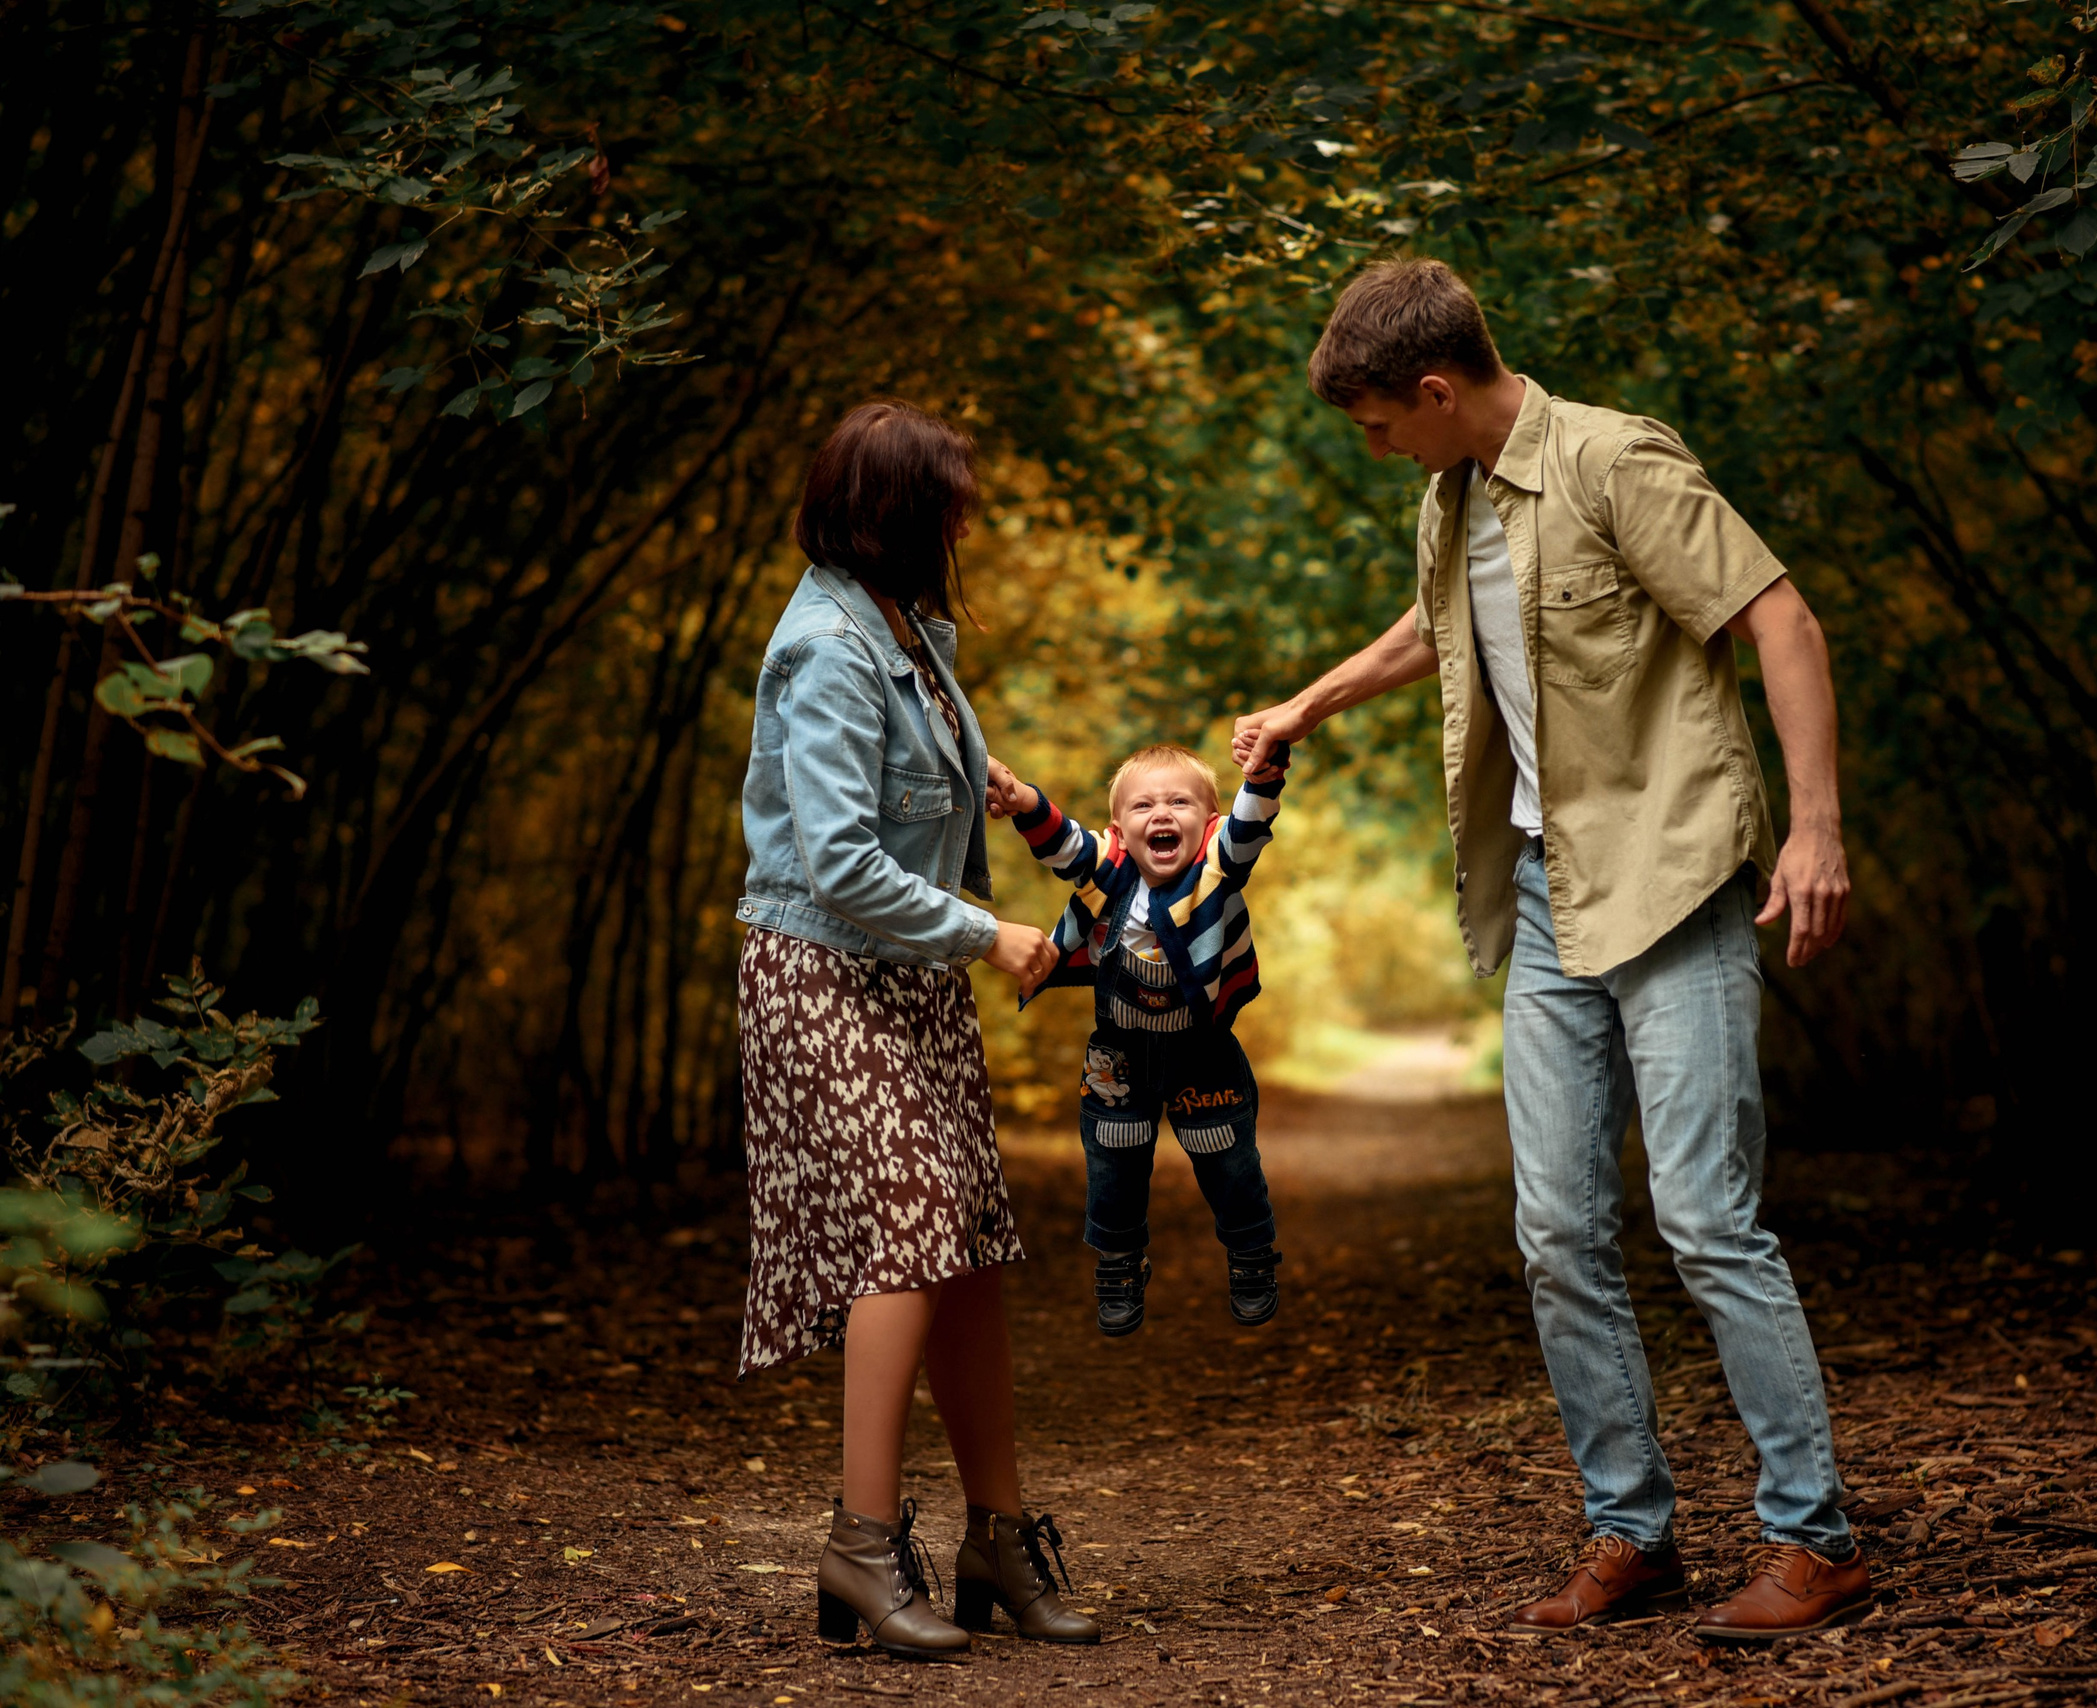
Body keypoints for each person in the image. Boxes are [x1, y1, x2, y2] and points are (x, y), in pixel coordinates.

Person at [1232, 261, 1871, 1643]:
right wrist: (1306, 705)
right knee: (1559, 1230)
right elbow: (1437, 626)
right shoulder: (1452, 497)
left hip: (1675, 875)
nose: (1378, 445)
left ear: (1438, 389)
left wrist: (1814, 832)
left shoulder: (1614, 462)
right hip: (1545, 895)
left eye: (1379, 422)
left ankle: (1813, 1540)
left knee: (1705, 1219)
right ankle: (1633, 1534)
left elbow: (1781, 618)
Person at [732, 400, 1100, 1660]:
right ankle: (860, 1540)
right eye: (949, 498)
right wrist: (985, 932)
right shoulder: (829, 647)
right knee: (907, 1231)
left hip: (909, 980)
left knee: (970, 1246)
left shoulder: (910, 633)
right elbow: (834, 860)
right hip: (827, 974)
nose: (964, 519)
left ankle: (997, 1534)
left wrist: (991, 797)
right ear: (895, 508)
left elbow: (905, 814)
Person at [986, 741, 1291, 1335]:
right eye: (1143, 805)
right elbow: (1060, 841)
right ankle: (1120, 1261)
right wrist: (1021, 798)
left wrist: (1263, 774)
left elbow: (1251, 824)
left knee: (1227, 1157)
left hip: (1201, 1049)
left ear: (1208, 823)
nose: (1161, 814)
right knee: (1113, 1160)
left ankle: (1251, 1253)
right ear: (1119, 830)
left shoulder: (1216, 869)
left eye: (1180, 802)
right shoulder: (1109, 868)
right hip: (1118, 1051)